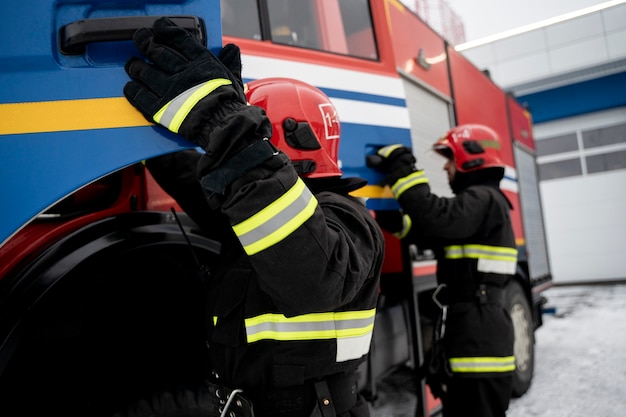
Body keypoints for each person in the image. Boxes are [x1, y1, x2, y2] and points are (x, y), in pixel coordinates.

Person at [120, 17, 384, 417]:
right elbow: (190, 177)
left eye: (256, 134)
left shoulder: (347, 217)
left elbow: (311, 279)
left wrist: (227, 122)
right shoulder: (253, 212)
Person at [369, 125, 517, 417]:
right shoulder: (478, 207)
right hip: (474, 331)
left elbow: (435, 218)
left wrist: (402, 165)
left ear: (471, 159)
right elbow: (429, 231)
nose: (447, 167)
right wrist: (389, 216)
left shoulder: (484, 198)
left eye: (450, 159)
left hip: (480, 339)